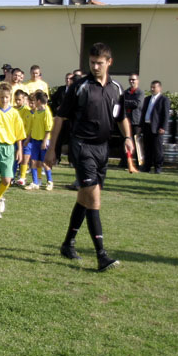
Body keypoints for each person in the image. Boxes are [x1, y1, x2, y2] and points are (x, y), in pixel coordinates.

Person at [45, 42, 131, 272]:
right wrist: (52, 149)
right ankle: (101, 255)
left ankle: (67, 244)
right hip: (82, 147)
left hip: (102, 149)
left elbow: (121, 117)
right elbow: (60, 118)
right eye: (92, 63)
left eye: (99, 63)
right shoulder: (79, 87)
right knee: (94, 199)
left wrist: (128, 137)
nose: (95, 67)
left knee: (85, 198)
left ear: (109, 62)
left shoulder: (116, 88)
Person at [0, 83, 25, 218]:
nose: (4, 100)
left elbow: (19, 133)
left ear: (10, 97)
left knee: (7, 180)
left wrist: (19, 150)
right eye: (2, 97)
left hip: (8, 148)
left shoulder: (14, 113)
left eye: (7, 97)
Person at [24, 91, 54, 191]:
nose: (33, 102)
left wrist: (45, 141)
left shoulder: (46, 113)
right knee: (33, 161)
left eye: (35, 100)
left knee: (44, 163)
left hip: (43, 141)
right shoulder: (37, 111)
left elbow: (48, 129)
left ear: (39, 101)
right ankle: (35, 182)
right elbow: (33, 127)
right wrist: (28, 139)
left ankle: (50, 182)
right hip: (35, 140)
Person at [140, 80, 170, 174]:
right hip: (147, 126)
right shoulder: (147, 99)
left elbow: (166, 115)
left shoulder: (164, 99)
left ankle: (158, 167)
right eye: (151, 87)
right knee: (147, 148)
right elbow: (143, 112)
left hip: (157, 128)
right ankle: (147, 167)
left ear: (159, 88)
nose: (152, 89)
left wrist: (163, 127)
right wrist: (141, 125)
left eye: (154, 87)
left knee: (157, 149)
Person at [121, 73, 144, 169]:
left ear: (137, 81)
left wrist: (125, 103)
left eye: (133, 79)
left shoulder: (140, 93)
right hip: (126, 121)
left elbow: (137, 104)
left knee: (137, 143)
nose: (131, 81)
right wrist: (127, 103)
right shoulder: (126, 92)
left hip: (136, 122)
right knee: (125, 141)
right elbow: (121, 103)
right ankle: (125, 162)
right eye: (130, 79)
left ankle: (140, 164)